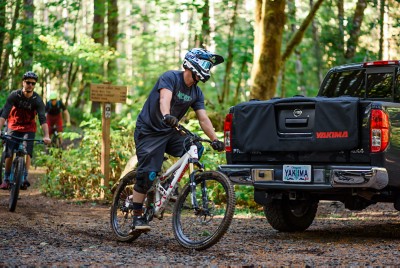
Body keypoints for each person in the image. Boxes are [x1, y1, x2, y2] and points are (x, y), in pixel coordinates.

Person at [129, 48, 225, 232]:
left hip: (170, 132)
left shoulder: (196, 93)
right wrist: (167, 115)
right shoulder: (170, 77)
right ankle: (137, 217)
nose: (208, 69)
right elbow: (164, 98)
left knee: (196, 147)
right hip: (149, 131)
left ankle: (169, 184)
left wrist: (215, 139)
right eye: (206, 64)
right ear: (192, 62)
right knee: (149, 172)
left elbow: (203, 118)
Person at [0, 71, 51, 190]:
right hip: (13, 125)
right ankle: (6, 179)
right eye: (28, 82)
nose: (30, 85)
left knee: (27, 151)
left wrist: (47, 135)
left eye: (33, 83)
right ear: (23, 82)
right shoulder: (14, 95)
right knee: (9, 151)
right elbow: (4, 114)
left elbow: (43, 119)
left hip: (29, 127)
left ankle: (24, 177)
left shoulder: (37, 100)